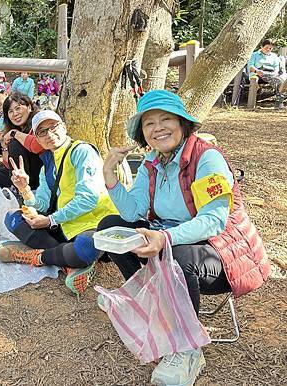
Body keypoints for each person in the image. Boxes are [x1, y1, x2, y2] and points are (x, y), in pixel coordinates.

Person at [99, 89, 270, 386]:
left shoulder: (208, 158)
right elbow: (132, 211)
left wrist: (163, 237)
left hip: (223, 254)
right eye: (149, 123)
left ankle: (187, 348)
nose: (158, 128)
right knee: (110, 226)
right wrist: (109, 173)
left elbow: (213, 222)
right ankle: (150, 300)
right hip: (172, 242)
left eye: (166, 119)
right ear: (143, 133)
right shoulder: (153, 162)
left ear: (182, 123)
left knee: (177, 255)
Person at [0, 110, 117, 295]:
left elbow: (88, 199)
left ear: (64, 127)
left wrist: (50, 220)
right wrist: (24, 189)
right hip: (64, 225)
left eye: (53, 127)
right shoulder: (48, 166)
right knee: (12, 218)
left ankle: (36, 256)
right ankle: (70, 263)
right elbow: (43, 204)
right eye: (42, 132)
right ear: (37, 138)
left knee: (87, 247)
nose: (49, 135)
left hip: (92, 224)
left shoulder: (82, 152)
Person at [0, 92, 43, 194]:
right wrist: (3, 144)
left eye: (18, 108)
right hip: (18, 175)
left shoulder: (38, 121)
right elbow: (8, 165)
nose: (15, 114)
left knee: (15, 144)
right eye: (10, 111)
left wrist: (14, 133)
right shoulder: (14, 128)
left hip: (38, 175)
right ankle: (3, 193)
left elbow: (37, 146)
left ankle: (20, 190)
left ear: (29, 107)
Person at [247, 38, 286, 109]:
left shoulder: (274, 56)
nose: (268, 50)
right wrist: (257, 71)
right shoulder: (254, 55)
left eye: (270, 48)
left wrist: (275, 73)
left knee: (280, 82)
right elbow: (250, 66)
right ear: (261, 47)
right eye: (266, 48)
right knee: (277, 81)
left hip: (271, 75)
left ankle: (278, 103)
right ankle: (278, 104)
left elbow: (276, 67)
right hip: (257, 74)